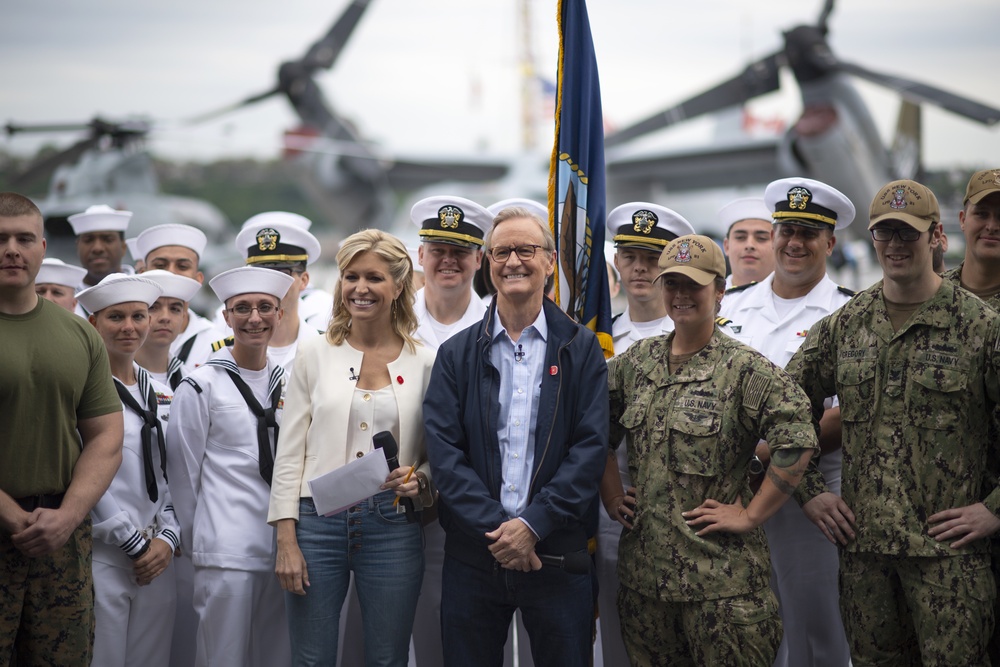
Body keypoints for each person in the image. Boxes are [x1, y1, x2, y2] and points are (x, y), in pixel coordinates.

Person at [786, 179, 1000, 665]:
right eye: (885, 234)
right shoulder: (847, 324)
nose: (896, 246)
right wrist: (810, 489)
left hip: (949, 563)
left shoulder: (980, 327)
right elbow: (783, 409)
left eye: (908, 234)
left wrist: (993, 509)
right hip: (866, 561)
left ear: (936, 236)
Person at [606, 234, 818, 666]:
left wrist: (752, 513)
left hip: (723, 592)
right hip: (647, 591)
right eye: (673, 284)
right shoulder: (633, 364)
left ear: (720, 292)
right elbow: (594, 432)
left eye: (694, 286)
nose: (681, 295)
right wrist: (611, 494)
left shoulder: (745, 369)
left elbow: (797, 439)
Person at [424, 205, 609, 667]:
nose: (513, 262)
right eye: (501, 251)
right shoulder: (456, 354)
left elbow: (589, 449)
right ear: (488, 263)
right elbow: (445, 454)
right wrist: (499, 532)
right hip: (473, 558)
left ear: (549, 261)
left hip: (557, 557)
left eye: (526, 250)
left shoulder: (581, 348)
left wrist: (531, 527)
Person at [269, 229, 435, 666]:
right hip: (315, 525)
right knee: (311, 659)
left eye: (374, 278)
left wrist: (421, 480)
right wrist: (286, 538)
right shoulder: (312, 354)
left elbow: (439, 452)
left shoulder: (427, 360)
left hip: (392, 523)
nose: (360, 288)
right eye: (351, 276)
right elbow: (288, 454)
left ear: (399, 286)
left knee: (388, 658)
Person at [719, 177, 855, 667]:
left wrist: (769, 453)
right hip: (732, 490)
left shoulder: (849, 311)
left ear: (830, 243)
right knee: (739, 629)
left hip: (813, 494)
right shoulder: (730, 308)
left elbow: (848, 409)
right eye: (787, 229)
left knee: (816, 630)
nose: (795, 243)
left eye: (809, 233)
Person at [0, 192, 124, 664]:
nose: (12, 249)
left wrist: (68, 516)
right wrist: (14, 518)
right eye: (1, 238)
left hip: (61, 541)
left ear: (44, 247)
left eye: (24, 239)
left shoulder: (79, 334)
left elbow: (106, 437)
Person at [167, 266, 295, 667]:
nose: (254, 318)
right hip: (224, 550)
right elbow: (184, 476)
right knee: (222, 657)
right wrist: (200, 542)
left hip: (281, 549)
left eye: (264, 308)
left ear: (279, 314)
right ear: (226, 316)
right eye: (242, 308)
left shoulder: (289, 383)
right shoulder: (201, 385)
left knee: (275, 657)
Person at [596, 201, 695, 667]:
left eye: (653, 257)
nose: (640, 267)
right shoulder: (596, 342)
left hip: (691, 521)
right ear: (616, 261)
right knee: (619, 644)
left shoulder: (698, 335)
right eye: (630, 254)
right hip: (621, 515)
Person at [76, 273, 180, 667]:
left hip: (158, 554)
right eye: (116, 317)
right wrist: (128, 540)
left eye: (139, 316)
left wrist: (169, 535)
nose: (129, 327)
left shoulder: (159, 389)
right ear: (93, 324)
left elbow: (173, 471)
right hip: (106, 551)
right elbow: (84, 471)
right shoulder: (83, 388)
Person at [407, 195, 491, 667]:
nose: (448, 260)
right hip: (397, 500)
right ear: (421, 255)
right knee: (392, 632)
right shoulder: (391, 320)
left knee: (466, 632)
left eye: (460, 251)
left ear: (478, 259)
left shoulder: (499, 324)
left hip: (473, 503)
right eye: (437, 249)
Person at [942, 168, 1000, 663]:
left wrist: (995, 508)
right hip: (936, 539)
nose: (993, 225)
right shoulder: (921, 296)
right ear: (962, 219)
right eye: (983, 212)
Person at [134, 223, 219, 374]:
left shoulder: (215, 342)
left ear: (198, 279)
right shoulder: (125, 336)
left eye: (182, 266)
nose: (171, 272)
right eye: (160, 265)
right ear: (141, 273)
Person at [135, 270, 203, 389]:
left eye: (175, 309)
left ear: (184, 315)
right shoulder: (108, 379)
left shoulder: (195, 383)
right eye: (153, 307)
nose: (165, 317)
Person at [68, 204, 132, 289]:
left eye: (108, 239)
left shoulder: (145, 292)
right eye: (88, 240)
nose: (97, 248)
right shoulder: (64, 296)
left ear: (123, 247)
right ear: (77, 247)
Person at [719, 197, 774, 289]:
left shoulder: (793, 298)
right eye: (740, 237)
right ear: (726, 246)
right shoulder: (710, 300)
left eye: (761, 238)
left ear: (777, 246)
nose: (749, 245)